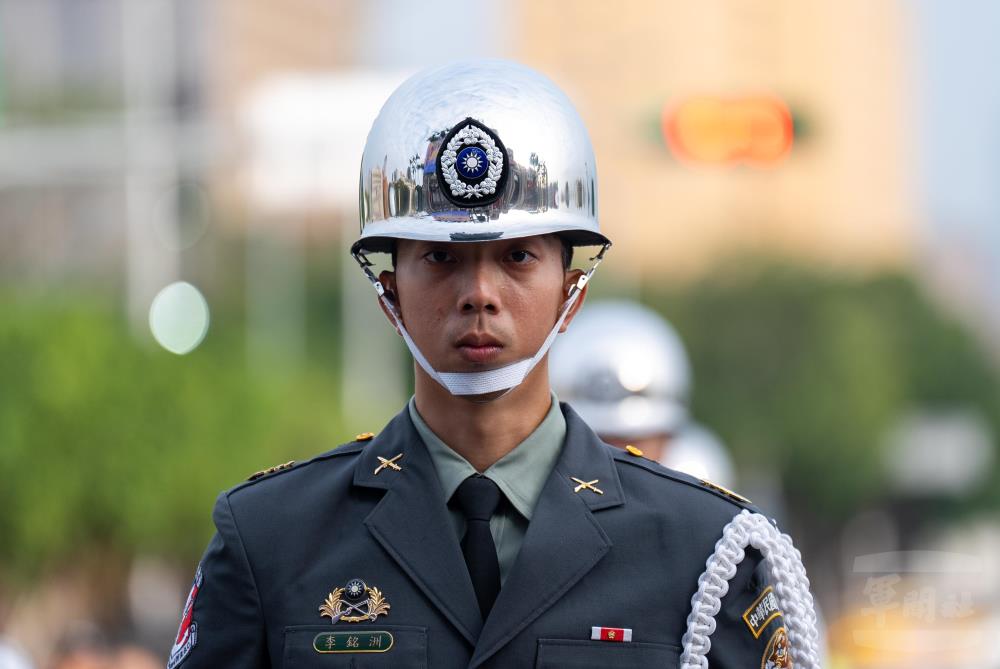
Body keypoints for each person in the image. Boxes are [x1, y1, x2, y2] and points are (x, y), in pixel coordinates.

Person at [168, 59, 817, 669]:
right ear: (389, 287)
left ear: (573, 285)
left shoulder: (702, 547)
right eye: (441, 258)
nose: (479, 293)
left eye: (517, 257)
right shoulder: (271, 537)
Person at [549, 300, 737, 487]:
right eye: (596, 441)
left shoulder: (698, 480)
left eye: (631, 443)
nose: (615, 459)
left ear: (667, 437)